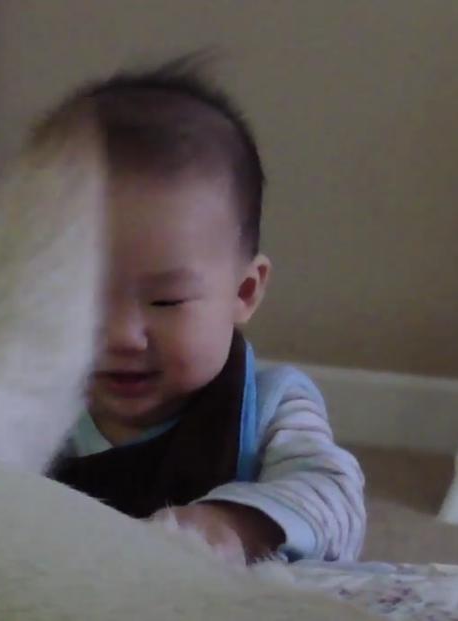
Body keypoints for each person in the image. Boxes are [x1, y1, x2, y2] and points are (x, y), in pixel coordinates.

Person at [45, 60, 366, 564]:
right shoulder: (34, 398)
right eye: (80, 298)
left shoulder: (269, 409)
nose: (123, 336)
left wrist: (234, 526)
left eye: (166, 301)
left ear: (243, 291)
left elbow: (336, 501)